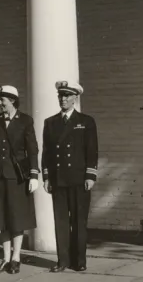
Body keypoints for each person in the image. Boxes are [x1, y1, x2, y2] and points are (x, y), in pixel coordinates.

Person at [0, 85, 39, 275]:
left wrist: (34, 174)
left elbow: (32, 149)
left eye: (2, 100)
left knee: (16, 218)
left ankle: (16, 257)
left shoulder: (25, 121)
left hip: (17, 176)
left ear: (12, 100)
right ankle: (5, 258)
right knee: (1, 218)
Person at [42, 80, 98, 273]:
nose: (63, 99)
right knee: (61, 222)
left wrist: (90, 175)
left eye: (67, 96)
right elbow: (47, 153)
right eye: (61, 96)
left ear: (75, 98)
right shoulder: (50, 122)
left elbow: (92, 151)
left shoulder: (86, 121)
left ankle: (79, 261)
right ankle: (62, 260)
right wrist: (47, 177)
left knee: (79, 221)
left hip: (79, 179)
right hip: (58, 180)